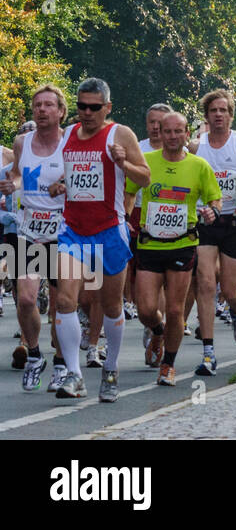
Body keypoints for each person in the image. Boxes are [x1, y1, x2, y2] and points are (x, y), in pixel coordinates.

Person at [47, 78, 150, 401]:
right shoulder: (67, 135)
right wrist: (60, 185)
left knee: (110, 303)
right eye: (81, 107)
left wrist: (124, 162)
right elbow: (70, 173)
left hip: (110, 229)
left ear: (107, 107)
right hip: (73, 229)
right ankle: (74, 375)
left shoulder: (119, 134)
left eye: (94, 107)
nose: (87, 113)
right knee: (65, 300)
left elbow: (145, 176)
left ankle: (111, 369)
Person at [127, 111, 222, 386]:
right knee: (145, 308)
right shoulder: (146, 161)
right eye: (166, 131)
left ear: (186, 134)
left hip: (183, 243)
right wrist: (125, 216)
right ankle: (157, 332)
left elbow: (214, 198)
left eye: (177, 131)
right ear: (160, 132)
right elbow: (130, 191)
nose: (171, 136)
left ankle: (168, 364)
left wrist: (212, 212)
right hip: (149, 243)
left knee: (174, 310)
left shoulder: (199, 165)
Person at [190, 90, 236, 375]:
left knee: (230, 290)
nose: (218, 115)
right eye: (213, 110)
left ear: (231, 115)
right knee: (206, 284)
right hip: (206, 220)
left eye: (224, 110)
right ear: (206, 116)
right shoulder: (195, 148)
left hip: (234, 220)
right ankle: (208, 353)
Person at [1, 87, 68, 391]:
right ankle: (34, 355)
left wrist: (65, 184)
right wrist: (11, 185)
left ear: (60, 111)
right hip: (27, 229)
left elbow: (82, 177)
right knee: (26, 298)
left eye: (48, 105)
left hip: (64, 232)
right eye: (37, 105)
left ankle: (61, 363)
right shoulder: (22, 141)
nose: (41, 110)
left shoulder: (70, 143)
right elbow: (16, 173)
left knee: (61, 306)